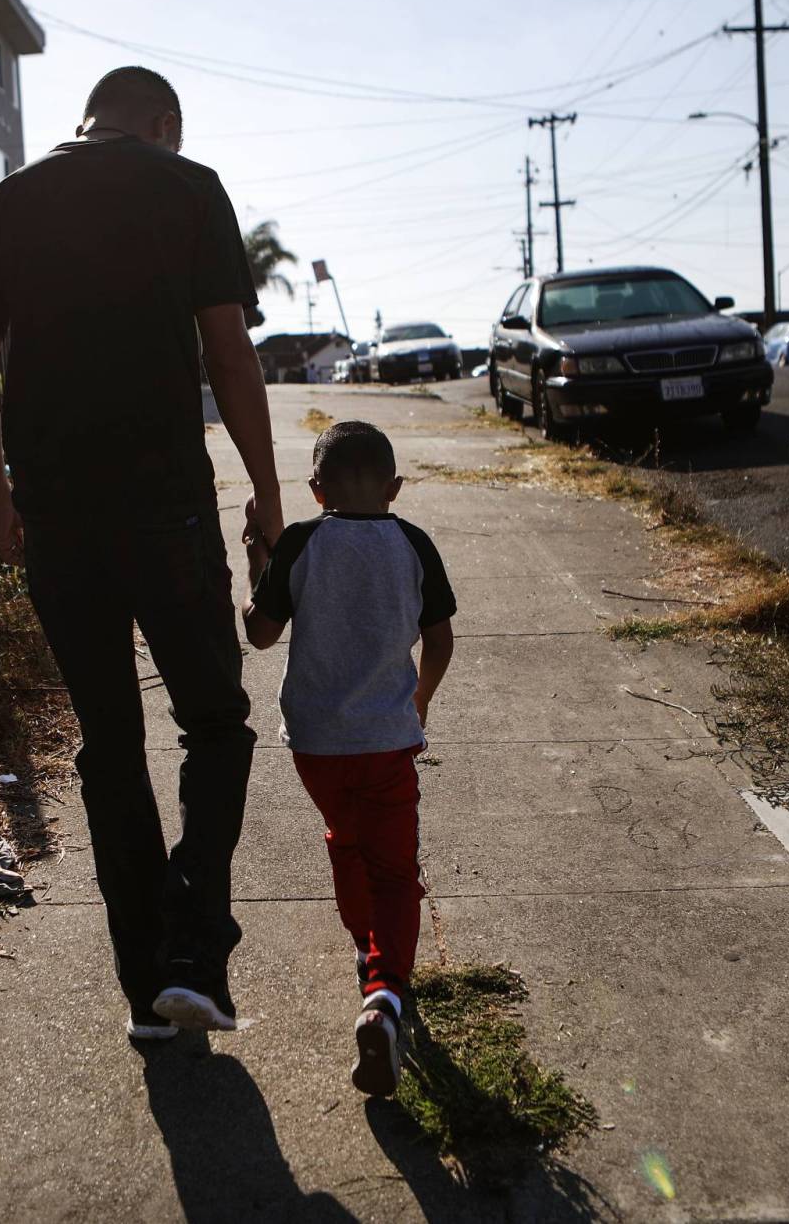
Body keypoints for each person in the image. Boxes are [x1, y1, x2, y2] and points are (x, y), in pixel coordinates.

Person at [0, 66, 282, 1041]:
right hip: (166, 509)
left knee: (109, 744)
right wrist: (262, 487)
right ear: (162, 122)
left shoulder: (9, 199)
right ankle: (191, 947)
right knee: (215, 720)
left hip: (55, 518)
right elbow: (228, 350)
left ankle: (145, 991)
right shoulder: (187, 186)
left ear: (84, 117)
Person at [241, 421, 456, 1097]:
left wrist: (257, 559)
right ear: (395, 488)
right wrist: (419, 699)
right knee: (395, 872)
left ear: (315, 489)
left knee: (345, 840)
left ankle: (367, 953)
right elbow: (440, 638)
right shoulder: (414, 543)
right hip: (388, 739)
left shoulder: (303, 542)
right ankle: (384, 993)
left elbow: (262, 632)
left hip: (316, 745)